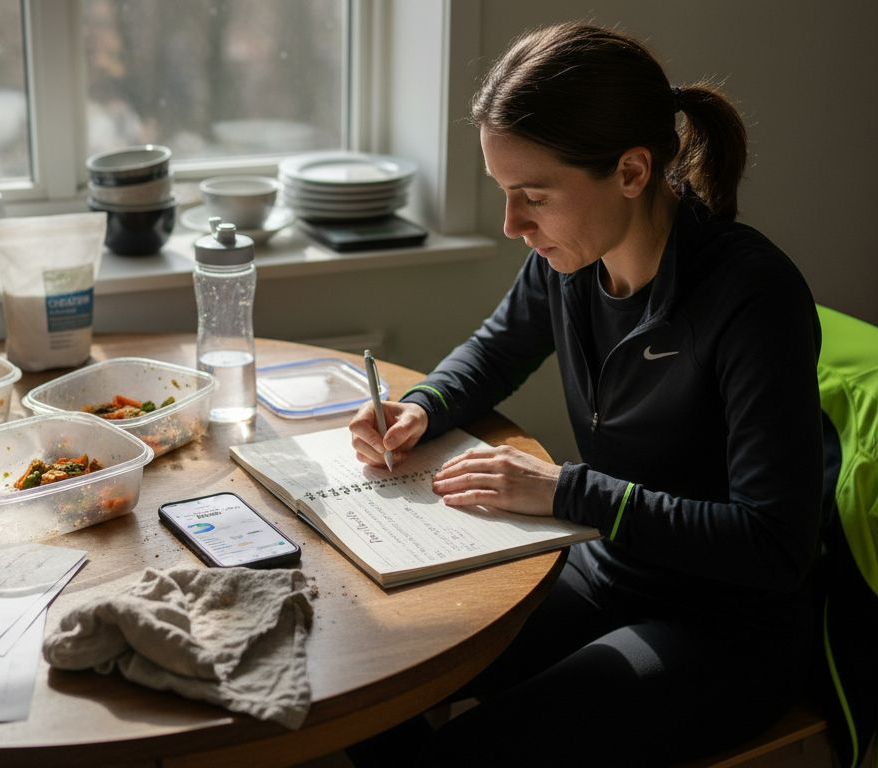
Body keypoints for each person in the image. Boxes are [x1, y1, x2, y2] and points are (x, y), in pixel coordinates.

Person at [347, 21, 825, 766]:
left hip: (727, 626)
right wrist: (424, 407)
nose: (513, 224)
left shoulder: (751, 296)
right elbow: (496, 351)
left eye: (532, 195)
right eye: (504, 193)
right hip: (610, 566)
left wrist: (570, 492)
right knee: (371, 680)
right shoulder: (570, 262)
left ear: (632, 172)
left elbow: (773, 546)